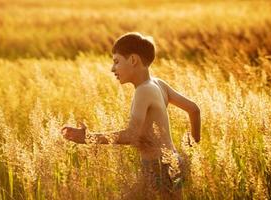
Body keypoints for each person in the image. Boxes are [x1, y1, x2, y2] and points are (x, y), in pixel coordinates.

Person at [61, 32, 201, 200]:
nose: (112, 69)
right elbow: (194, 110)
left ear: (133, 60)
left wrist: (88, 138)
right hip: (172, 161)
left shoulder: (143, 90)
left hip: (159, 167)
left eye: (116, 61)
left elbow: (132, 135)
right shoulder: (158, 84)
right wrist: (194, 140)